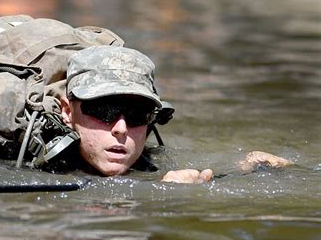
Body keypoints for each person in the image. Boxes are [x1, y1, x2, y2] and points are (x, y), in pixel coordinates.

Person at [53, 45, 292, 183]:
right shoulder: (26, 162)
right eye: (103, 110)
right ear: (67, 111)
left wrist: (251, 167)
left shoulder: (157, 164)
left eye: (139, 114)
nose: (121, 128)